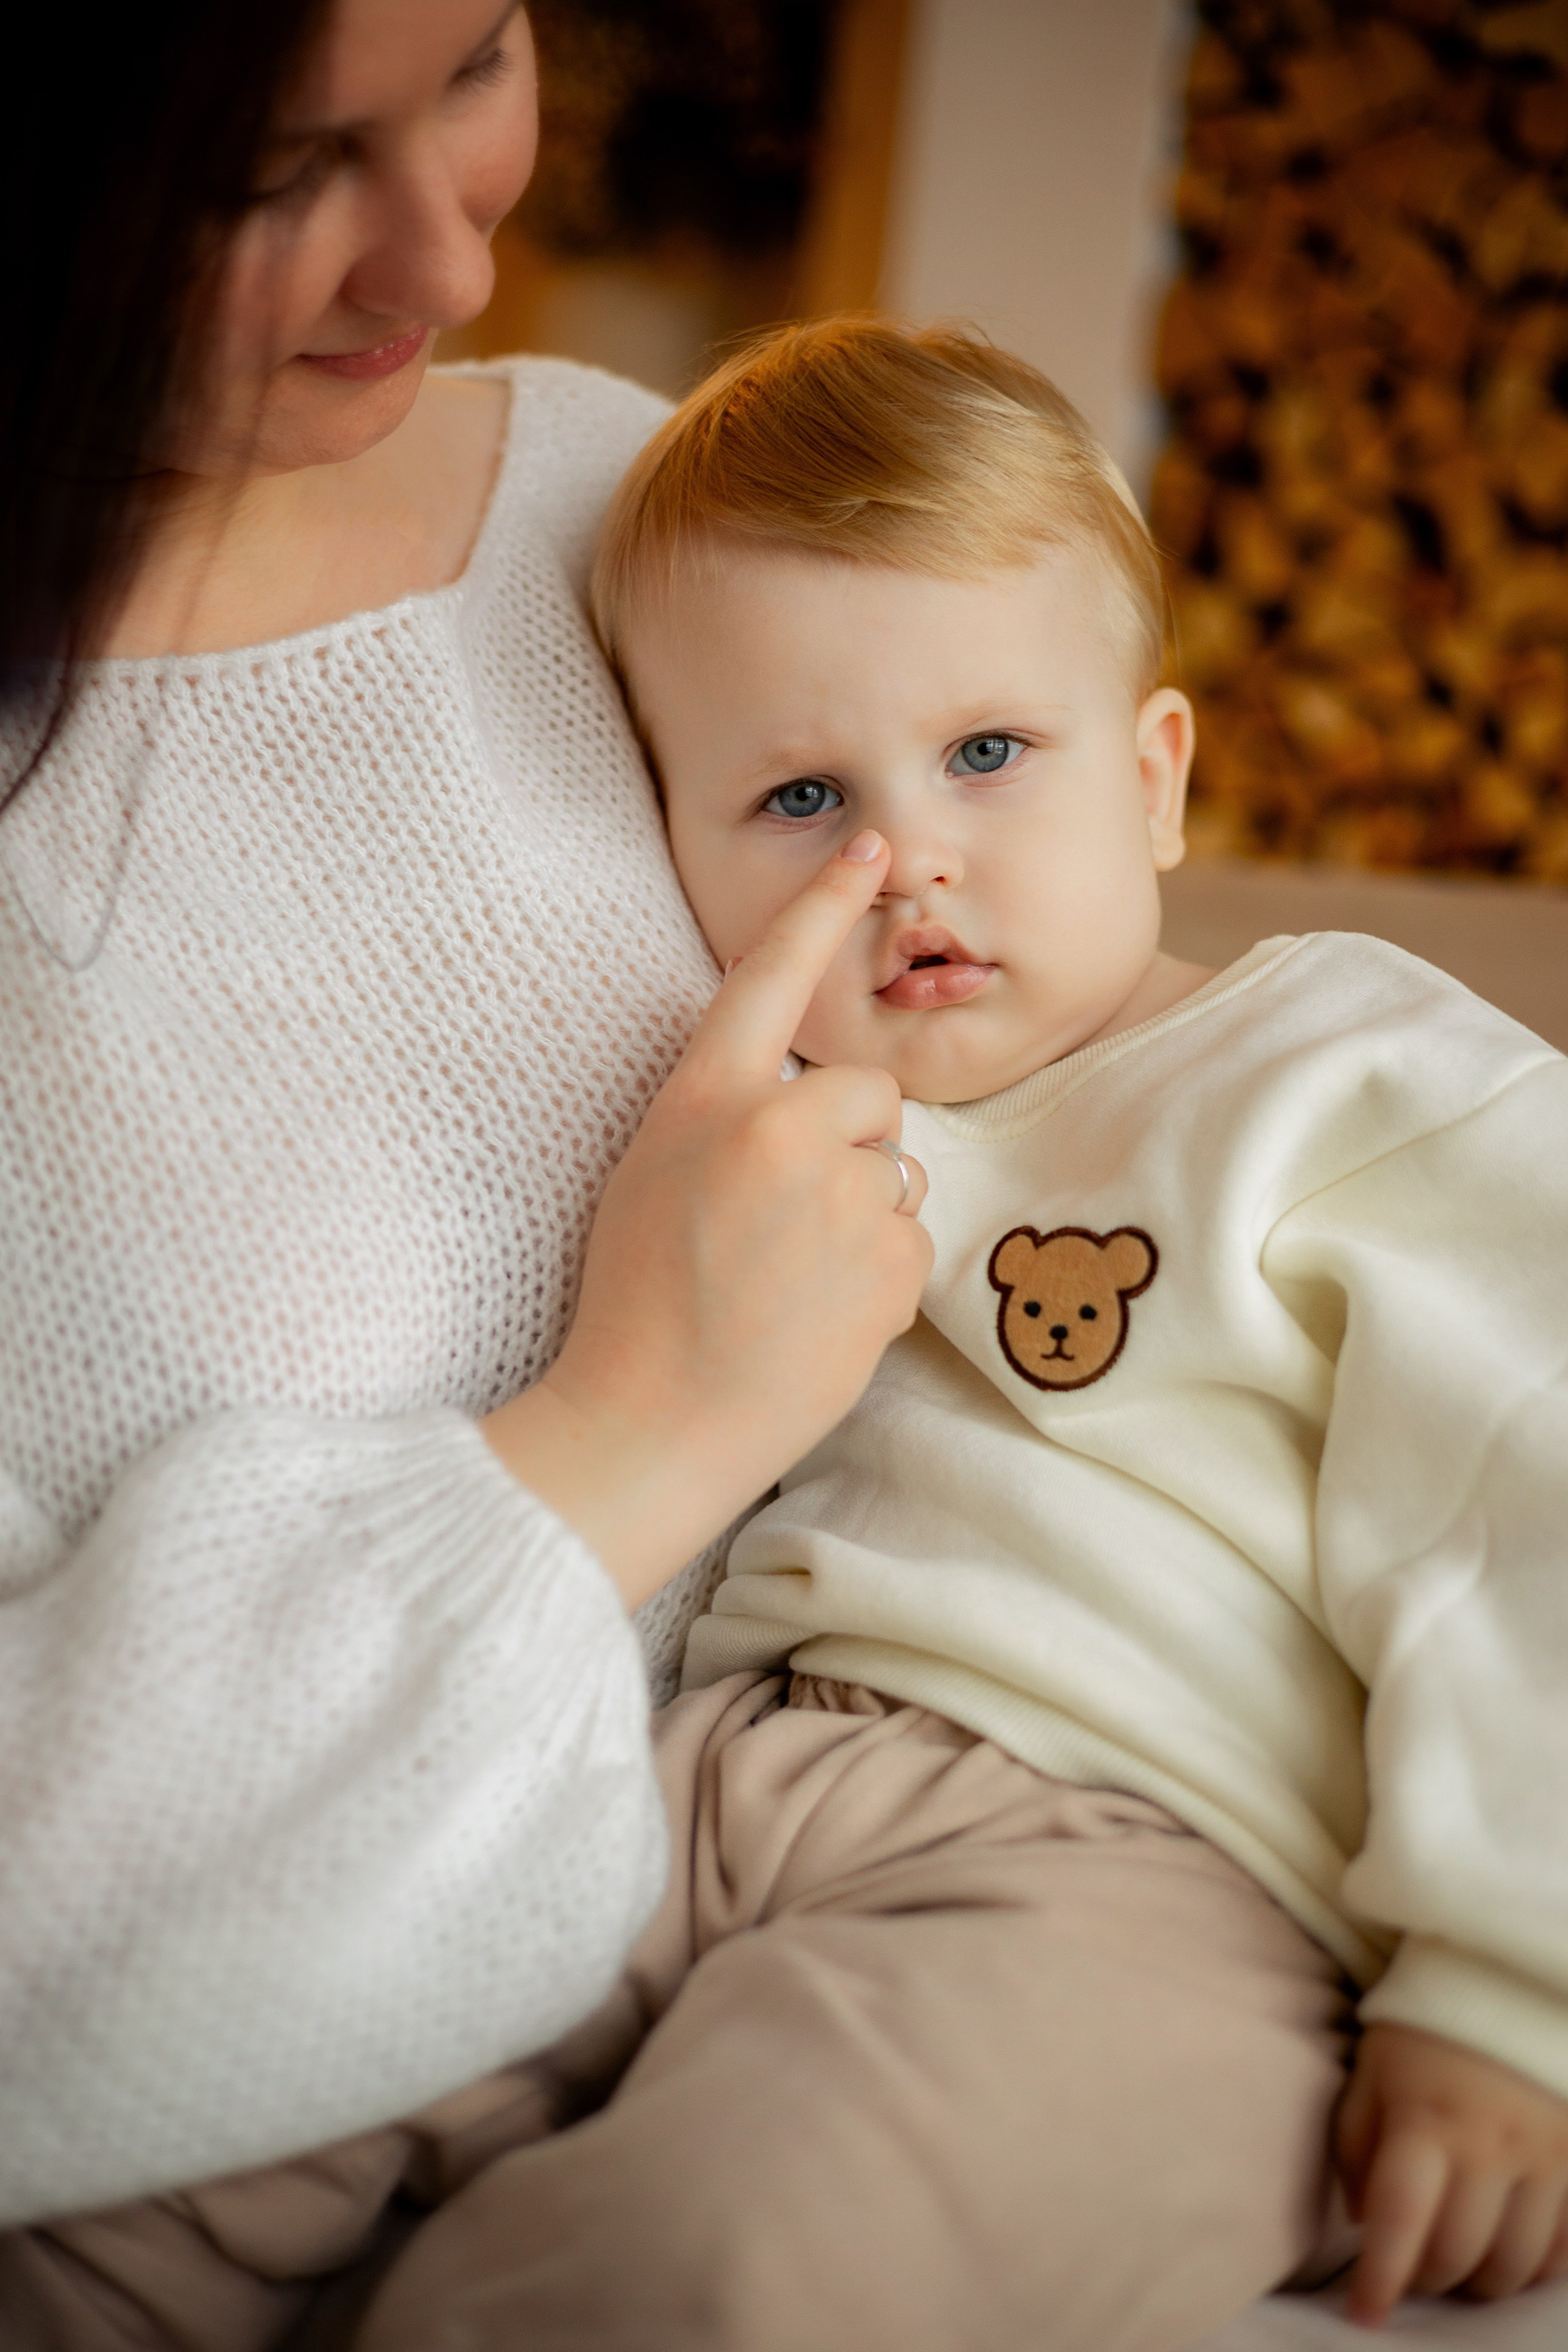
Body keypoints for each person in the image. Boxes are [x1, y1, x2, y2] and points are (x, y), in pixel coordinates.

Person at [340, 320, 1568, 2351]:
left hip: (1148, 1865)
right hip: (708, 1771)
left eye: (990, 753)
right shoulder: (768, 1127)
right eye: (802, 795)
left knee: (714, 2267)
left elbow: (1536, 1491)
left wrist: (1517, 1980)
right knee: (260, 2079)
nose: (903, 861)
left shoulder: (1348, 1075)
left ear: (1158, 777)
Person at [0, 1, 932, 2333]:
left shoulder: (646, 502)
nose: (451, 257)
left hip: (895, 1944)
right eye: (270, 175)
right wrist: (620, 1443)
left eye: (481, 58)